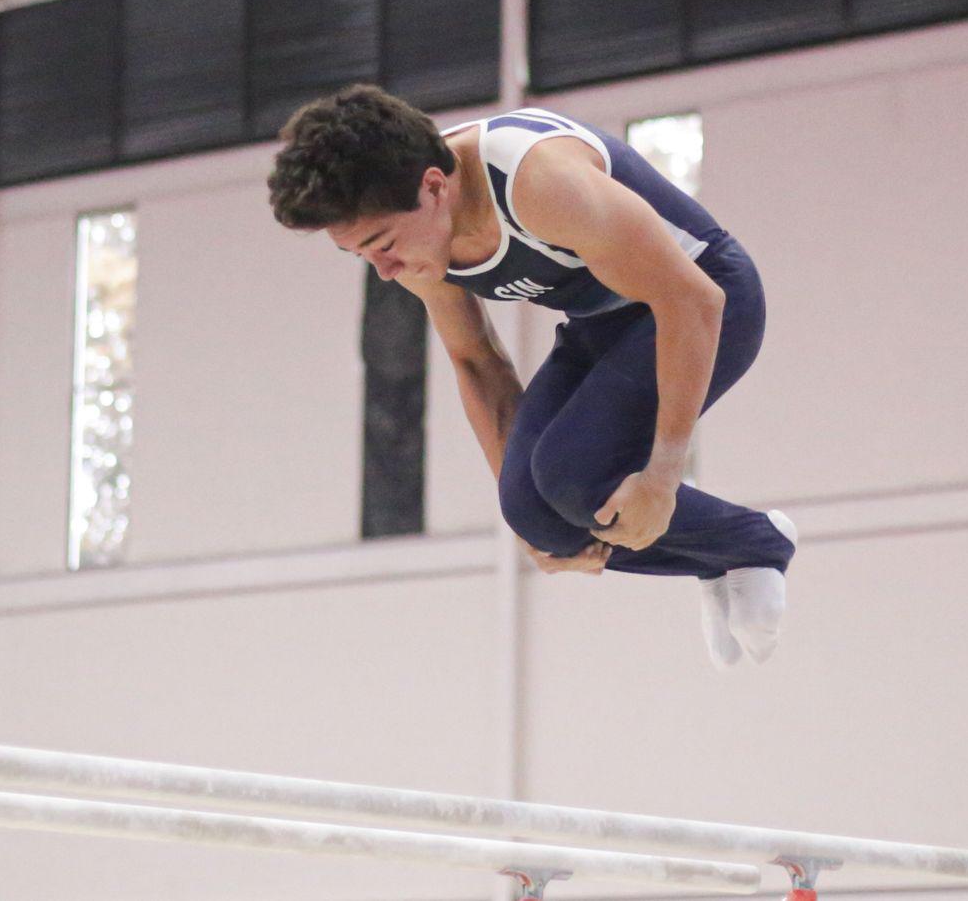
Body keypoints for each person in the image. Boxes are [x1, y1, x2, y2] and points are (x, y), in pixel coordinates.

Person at [267, 85, 795, 668]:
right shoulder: (418, 238)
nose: (386, 272)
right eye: (361, 256)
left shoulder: (538, 182)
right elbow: (477, 360)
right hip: (603, 325)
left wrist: (664, 478)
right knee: (535, 510)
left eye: (383, 246)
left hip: (710, 300)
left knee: (572, 477)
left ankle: (756, 543)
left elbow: (692, 302)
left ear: (434, 188)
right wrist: (525, 514)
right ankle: (723, 553)